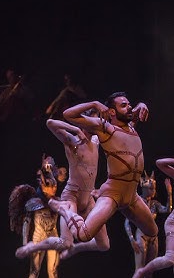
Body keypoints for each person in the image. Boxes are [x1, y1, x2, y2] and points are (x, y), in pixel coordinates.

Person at [48, 93, 157, 254]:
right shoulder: (105, 129)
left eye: (129, 104)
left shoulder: (131, 128)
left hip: (132, 195)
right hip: (113, 193)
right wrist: (94, 103)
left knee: (152, 231)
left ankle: (125, 209)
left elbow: (137, 112)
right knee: (83, 234)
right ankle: (64, 209)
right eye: (124, 105)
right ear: (112, 112)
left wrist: (142, 103)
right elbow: (67, 115)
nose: (129, 107)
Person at [15, 117, 109, 259]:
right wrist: (75, 128)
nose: (95, 125)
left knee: (104, 245)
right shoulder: (72, 140)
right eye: (91, 122)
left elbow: (115, 129)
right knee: (65, 242)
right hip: (72, 198)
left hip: (88, 199)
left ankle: (75, 249)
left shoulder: (95, 141)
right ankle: (33, 247)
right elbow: (50, 123)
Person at [8, 155, 63, 278]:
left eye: (54, 186)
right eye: (49, 186)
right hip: (38, 238)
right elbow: (26, 222)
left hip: (53, 236)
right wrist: (26, 244)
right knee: (35, 271)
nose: (52, 189)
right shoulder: (34, 203)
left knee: (53, 271)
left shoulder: (58, 201)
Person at [124, 171, 171, 278]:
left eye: (154, 188)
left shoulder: (155, 204)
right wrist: (132, 239)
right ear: (144, 188)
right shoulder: (137, 203)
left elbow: (168, 209)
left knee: (150, 269)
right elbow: (127, 222)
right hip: (141, 236)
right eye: (150, 188)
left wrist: (169, 193)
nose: (153, 191)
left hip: (153, 238)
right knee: (139, 267)